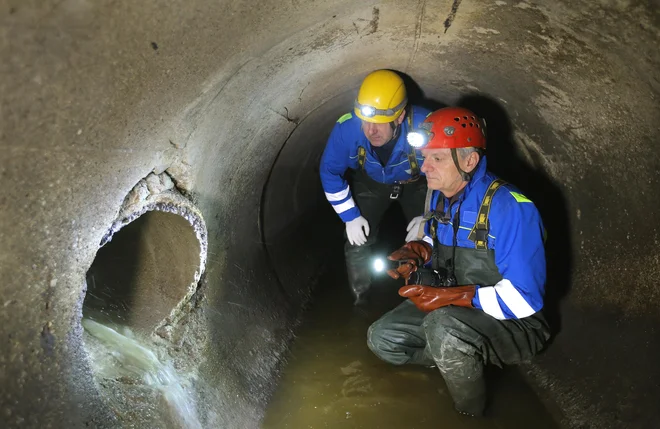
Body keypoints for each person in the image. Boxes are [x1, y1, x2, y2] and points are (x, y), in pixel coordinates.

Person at [366, 106, 551, 416]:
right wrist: (418, 250)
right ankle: (460, 361)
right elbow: (439, 240)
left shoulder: (511, 209)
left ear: (469, 161)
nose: (425, 168)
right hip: (456, 311)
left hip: (517, 323)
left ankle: (470, 415)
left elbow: (525, 300)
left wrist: (453, 297)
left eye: (436, 158)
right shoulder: (442, 195)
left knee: (443, 328)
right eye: (425, 157)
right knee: (382, 338)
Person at [319, 69, 431, 305]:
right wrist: (350, 216)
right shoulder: (347, 129)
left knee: (430, 236)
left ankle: (423, 296)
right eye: (366, 121)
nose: (371, 130)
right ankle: (361, 299)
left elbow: (450, 174)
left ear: (399, 117)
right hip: (371, 183)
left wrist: (428, 215)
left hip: (418, 183)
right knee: (356, 241)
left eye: (379, 123)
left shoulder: (427, 125)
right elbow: (329, 171)